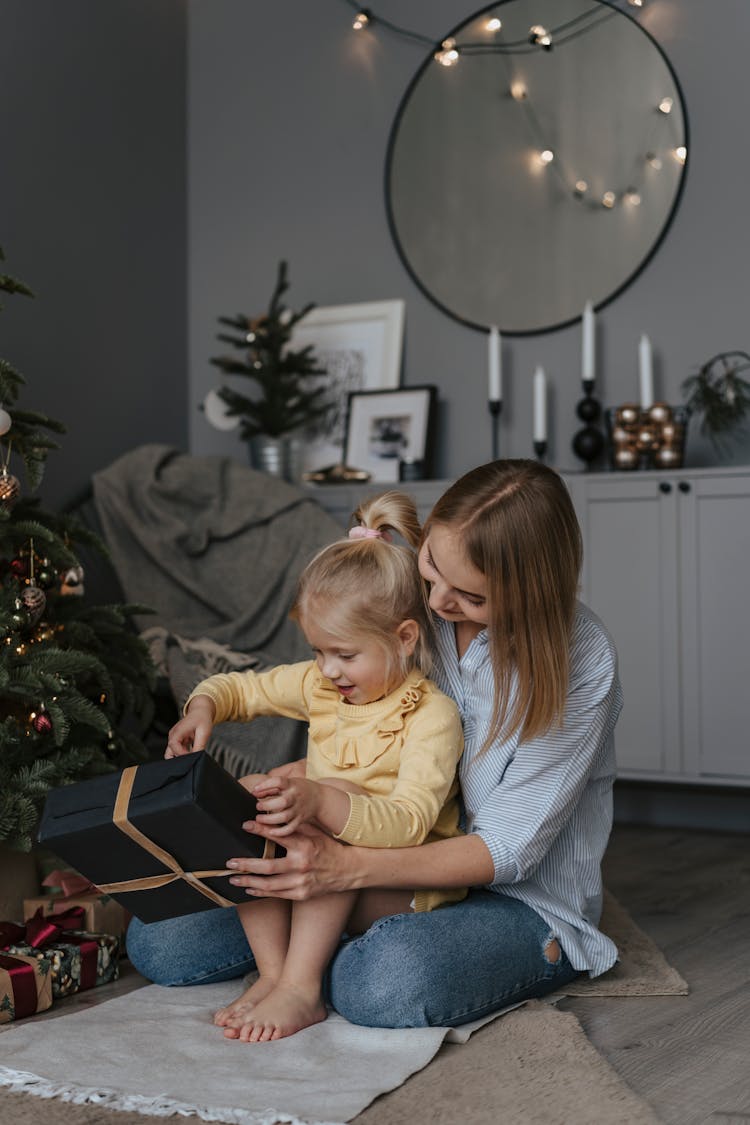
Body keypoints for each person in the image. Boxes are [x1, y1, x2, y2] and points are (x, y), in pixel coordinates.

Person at [127, 459, 623, 1029]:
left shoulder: (580, 660)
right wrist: (298, 788)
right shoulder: (406, 600)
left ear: (529, 595)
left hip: (513, 896)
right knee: (162, 941)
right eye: (432, 566)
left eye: (471, 598)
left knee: (387, 981)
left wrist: (339, 861)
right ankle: (306, 962)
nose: (436, 604)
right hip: (377, 854)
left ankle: (312, 969)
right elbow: (347, 719)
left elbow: (504, 852)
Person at [163, 490, 465, 1042]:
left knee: (322, 803)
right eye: (317, 651)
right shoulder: (319, 684)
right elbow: (237, 688)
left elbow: (411, 821)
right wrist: (203, 708)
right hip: (317, 877)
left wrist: (325, 798)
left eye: (345, 655)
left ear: (403, 639)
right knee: (250, 804)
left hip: (397, 885)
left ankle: (302, 987)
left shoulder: (432, 716)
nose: (327, 669)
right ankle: (276, 974)